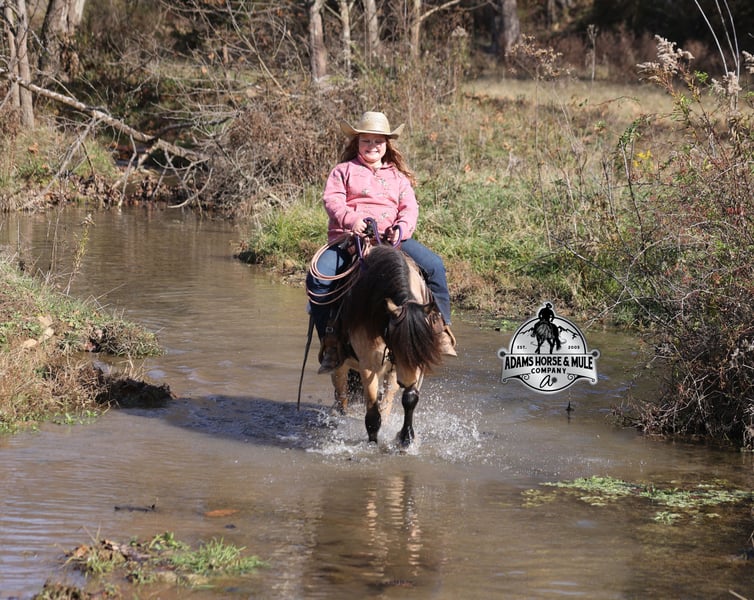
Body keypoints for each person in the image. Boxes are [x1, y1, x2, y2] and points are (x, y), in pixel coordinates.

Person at [306, 111, 457, 374]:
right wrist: (352, 220)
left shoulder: (398, 177)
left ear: (387, 144)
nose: (372, 146)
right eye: (366, 140)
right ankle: (331, 341)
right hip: (349, 239)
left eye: (378, 141)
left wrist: (402, 229)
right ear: (357, 142)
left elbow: (410, 208)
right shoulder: (343, 171)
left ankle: (439, 327)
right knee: (318, 279)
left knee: (434, 266)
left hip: (391, 240)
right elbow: (332, 201)